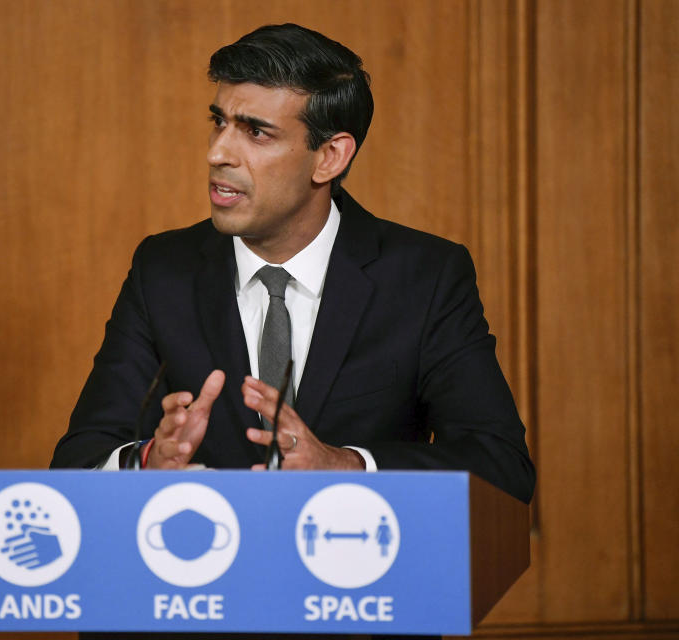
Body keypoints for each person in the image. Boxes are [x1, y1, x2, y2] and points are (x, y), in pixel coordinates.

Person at [50, 23, 535, 506]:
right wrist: (147, 462)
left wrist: (345, 466)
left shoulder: (425, 276)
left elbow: (502, 466)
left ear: (329, 157)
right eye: (219, 122)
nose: (216, 153)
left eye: (255, 132)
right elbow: (76, 466)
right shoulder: (163, 270)